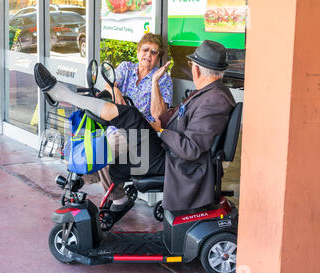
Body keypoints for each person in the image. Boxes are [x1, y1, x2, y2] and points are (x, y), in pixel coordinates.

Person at [34, 39, 235, 220]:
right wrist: (159, 125)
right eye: (145, 50)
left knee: (130, 116)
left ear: (197, 70)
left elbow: (191, 148)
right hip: (168, 151)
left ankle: (62, 95)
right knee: (113, 143)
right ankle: (96, 182)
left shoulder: (214, 100)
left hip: (176, 161)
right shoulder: (209, 94)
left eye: (192, 65)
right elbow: (177, 117)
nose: (149, 55)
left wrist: (161, 131)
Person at [89, 33, 173, 213]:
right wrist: (115, 90)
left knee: (103, 151)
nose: (148, 55)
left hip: (143, 134)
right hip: (117, 127)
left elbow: (159, 115)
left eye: (154, 52)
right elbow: (109, 86)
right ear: (137, 52)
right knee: (94, 147)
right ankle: (111, 191)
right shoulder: (126, 68)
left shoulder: (164, 79)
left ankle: (119, 199)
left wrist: (154, 83)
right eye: (145, 50)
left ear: (158, 57)